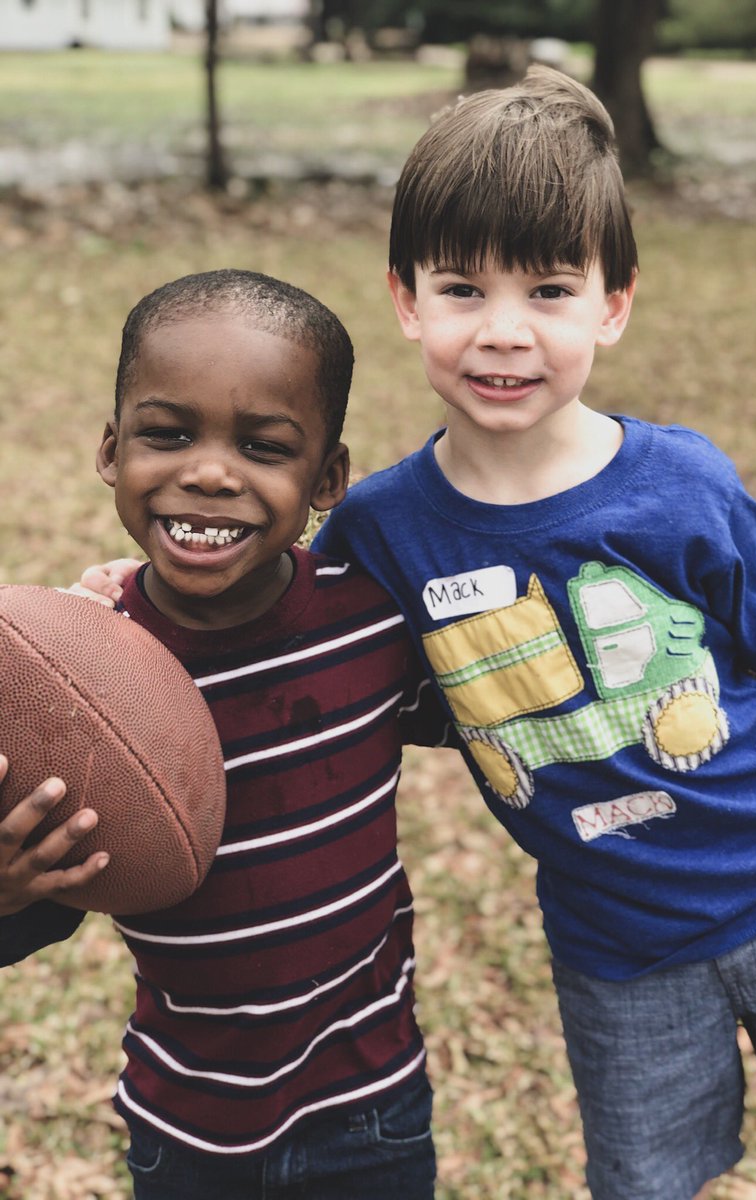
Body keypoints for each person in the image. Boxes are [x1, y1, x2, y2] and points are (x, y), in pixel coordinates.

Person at [73, 70, 756, 1199]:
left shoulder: (681, 483)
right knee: (650, 1181)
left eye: (551, 289)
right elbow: (274, 603)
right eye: (462, 288)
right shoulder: (381, 524)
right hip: (615, 937)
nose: (503, 332)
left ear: (613, 303)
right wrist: (132, 600)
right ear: (408, 299)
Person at [0, 269, 451, 1200]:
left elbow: (513, 720)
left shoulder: (371, 626)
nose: (209, 472)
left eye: (263, 445)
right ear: (112, 451)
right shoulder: (80, 681)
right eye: (167, 434)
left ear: (327, 478)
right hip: (187, 1123)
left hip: (370, 1102)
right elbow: (44, 901)